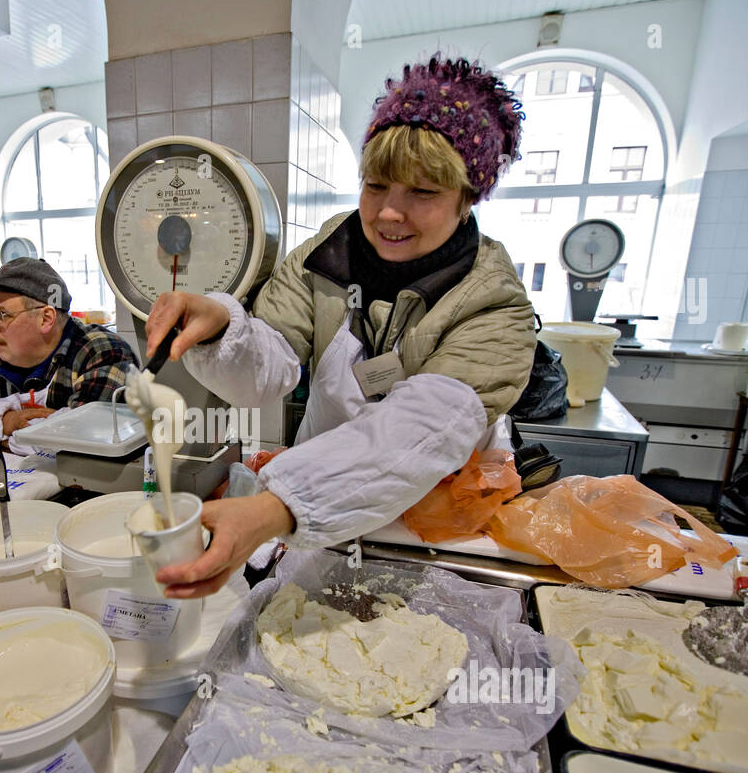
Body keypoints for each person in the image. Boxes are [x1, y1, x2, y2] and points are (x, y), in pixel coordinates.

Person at [144, 55, 537, 598]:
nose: (388, 214)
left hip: (437, 518)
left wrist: (278, 507)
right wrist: (219, 326)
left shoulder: (491, 302)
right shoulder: (328, 255)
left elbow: (417, 433)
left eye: (422, 193)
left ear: (468, 197)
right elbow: (268, 371)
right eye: (376, 186)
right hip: (316, 514)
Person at [0, 258, 137, 446]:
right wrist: (4, 422)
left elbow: (86, 436)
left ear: (46, 319)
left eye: (2, 314)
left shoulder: (102, 354)